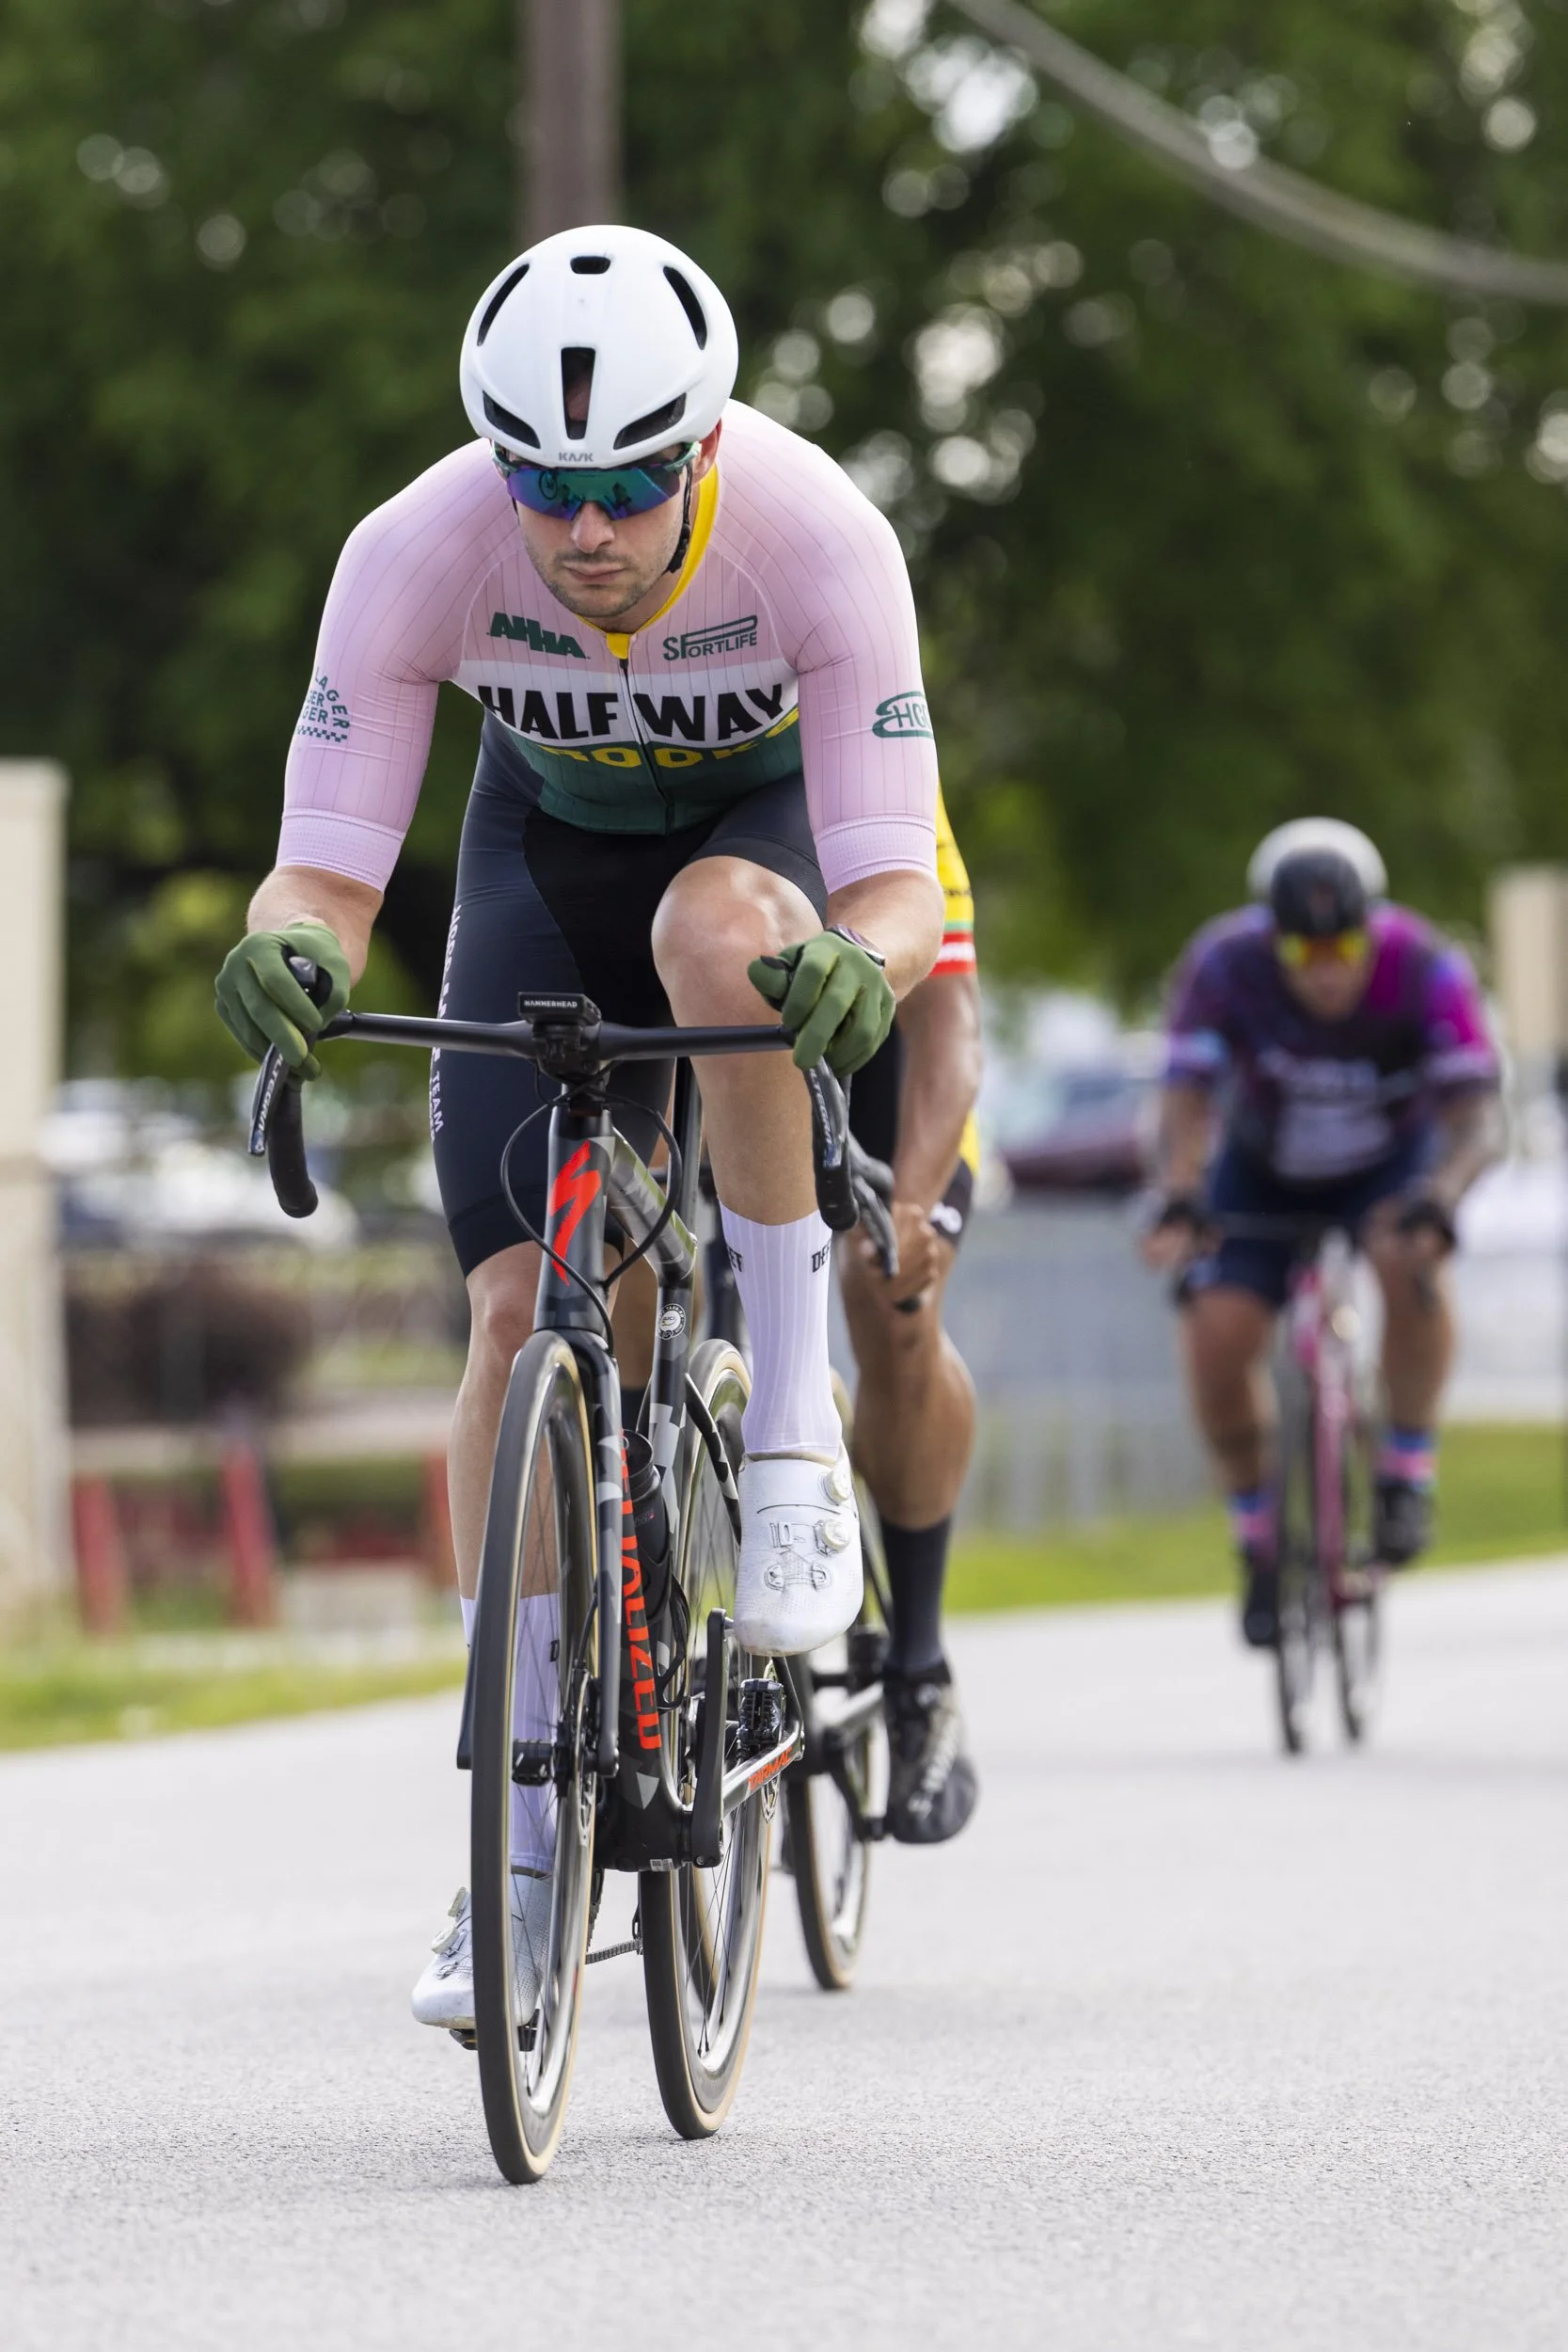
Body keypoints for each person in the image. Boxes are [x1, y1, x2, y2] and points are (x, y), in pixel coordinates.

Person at [214, 225, 945, 2029]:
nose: (587, 527)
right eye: (547, 484)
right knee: (520, 1312)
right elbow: (324, 867)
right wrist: (283, 953)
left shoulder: (817, 534)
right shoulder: (416, 552)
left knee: (719, 938)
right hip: (539, 856)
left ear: (700, 449)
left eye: (629, 481)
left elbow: (889, 882)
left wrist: (856, 961)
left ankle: (785, 1429)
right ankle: (516, 1846)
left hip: (760, 843)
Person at [1142, 818, 1502, 1648]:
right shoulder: (1224, 964)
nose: (1329, 971)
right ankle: (1257, 1537)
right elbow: (1184, 1097)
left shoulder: (1425, 964)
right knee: (1216, 1329)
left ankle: (1405, 1467)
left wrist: (1441, 1198)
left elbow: (1478, 1118)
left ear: (1370, 929)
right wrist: (1181, 1191)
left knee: (1405, 1258)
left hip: (1389, 1166)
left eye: (1344, 946)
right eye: (1304, 954)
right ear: (1273, 941)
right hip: (1262, 1167)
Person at [840, 790, 982, 1842]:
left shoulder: (882, 761)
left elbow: (948, 1015)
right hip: (704, 1053)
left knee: (884, 1290)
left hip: (877, 1073)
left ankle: (918, 1666)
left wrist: (914, 1204)